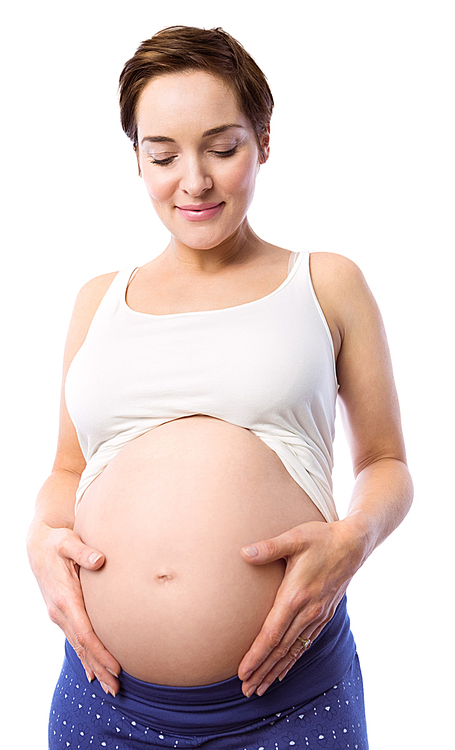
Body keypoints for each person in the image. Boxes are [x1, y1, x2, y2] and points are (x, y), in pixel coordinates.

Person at [27, 25, 413, 750]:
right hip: (103, 698)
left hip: (289, 697)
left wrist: (351, 541)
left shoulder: (327, 284)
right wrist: (40, 539)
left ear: (264, 140)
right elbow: (68, 471)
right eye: (163, 155)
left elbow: (386, 464)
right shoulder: (98, 300)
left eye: (222, 147)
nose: (194, 181)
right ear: (136, 159)